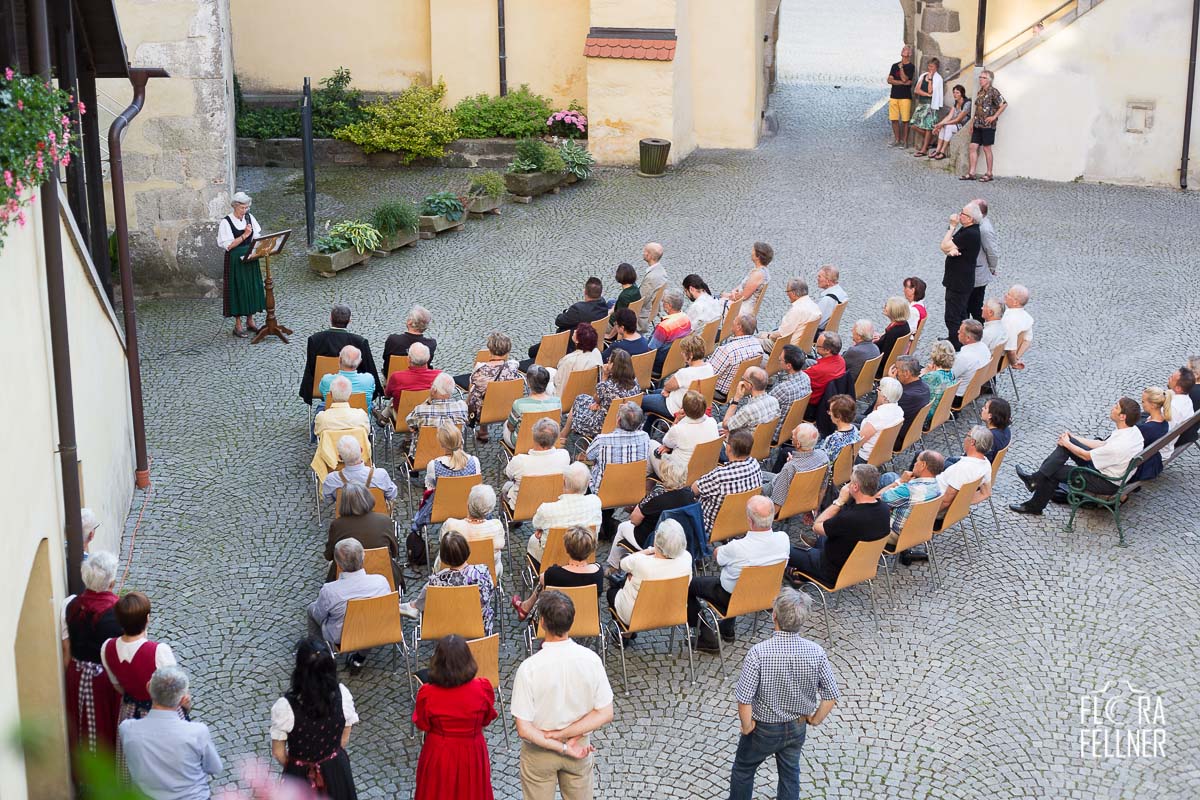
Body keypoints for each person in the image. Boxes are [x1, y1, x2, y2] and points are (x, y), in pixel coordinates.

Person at [727, 589, 839, 800]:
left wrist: (746, 725)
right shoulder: (816, 652)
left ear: (774, 616)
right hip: (797, 726)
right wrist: (815, 719)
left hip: (764, 728)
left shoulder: (759, 653)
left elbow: (744, 698)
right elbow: (831, 695)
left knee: (743, 769)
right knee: (790, 774)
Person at [511, 590, 614, 800]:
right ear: (571, 621)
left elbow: (524, 728)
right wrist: (567, 738)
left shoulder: (528, 668)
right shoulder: (591, 660)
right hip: (579, 746)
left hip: (539, 751)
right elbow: (605, 713)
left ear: (541, 622)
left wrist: (558, 740)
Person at [689, 495, 790, 651]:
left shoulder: (738, 547)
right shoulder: (784, 539)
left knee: (688, 585)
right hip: (766, 594)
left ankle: (706, 635)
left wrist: (720, 549)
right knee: (737, 578)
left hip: (730, 597)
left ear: (749, 520)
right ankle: (727, 628)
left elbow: (718, 555)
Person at [1011, 399, 1143, 516]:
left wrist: (1067, 443)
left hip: (1105, 481)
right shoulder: (1133, 432)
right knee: (1065, 447)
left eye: (1116, 407)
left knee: (1054, 471)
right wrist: (1073, 439)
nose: (1112, 408)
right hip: (1109, 470)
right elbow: (1102, 444)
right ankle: (1035, 480)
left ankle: (1035, 502)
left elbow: (1085, 456)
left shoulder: (1119, 446)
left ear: (1122, 416)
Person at [101, 591, 183, 776]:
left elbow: (117, 686)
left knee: (133, 769)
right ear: (147, 619)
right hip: (160, 716)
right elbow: (176, 690)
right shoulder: (158, 651)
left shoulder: (107, 647)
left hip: (129, 713)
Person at [270, 639, 360, 799]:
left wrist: (298, 766)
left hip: (300, 778)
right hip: (336, 771)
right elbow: (345, 735)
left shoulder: (285, 707)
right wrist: (329, 756)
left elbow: (278, 752)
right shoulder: (342, 694)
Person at [412, 635, 497, 800]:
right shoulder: (482, 688)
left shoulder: (427, 693)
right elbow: (486, 719)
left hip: (439, 752)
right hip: (472, 751)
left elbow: (422, 724)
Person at [120, 667, 223, 800]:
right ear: (182, 700)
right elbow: (215, 767)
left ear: (148, 687)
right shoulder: (197, 732)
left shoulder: (127, 729)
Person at [64, 552, 123, 771]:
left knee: (83, 726)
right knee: (105, 728)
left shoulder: (70, 605)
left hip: (77, 673)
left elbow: (67, 645)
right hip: (105, 678)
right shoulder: (118, 611)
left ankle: (86, 775)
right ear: (112, 581)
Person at [788, 465, 890, 584]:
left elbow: (816, 526)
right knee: (824, 537)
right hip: (861, 565)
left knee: (785, 548)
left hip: (831, 570)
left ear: (855, 487)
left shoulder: (849, 518)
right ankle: (801, 577)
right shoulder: (884, 508)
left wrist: (839, 501)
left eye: (850, 481)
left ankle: (800, 570)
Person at [308, 539, 391, 670]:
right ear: (363, 558)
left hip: (342, 636)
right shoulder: (381, 582)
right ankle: (359, 657)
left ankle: (317, 654)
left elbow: (319, 616)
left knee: (311, 609)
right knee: (368, 617)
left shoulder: (330, 590)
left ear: (338, 564)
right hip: (376, 630)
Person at [400, 532, 496, 634]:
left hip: (446, 628)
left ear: (443, 557)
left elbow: (429, 604)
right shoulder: (482, 571)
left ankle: (413, 606)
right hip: (480, 627)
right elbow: (489, 594)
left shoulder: (436, 580)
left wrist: (416, 605)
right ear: (467, 550)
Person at [608, 458, 695, 570]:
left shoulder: (656, 497)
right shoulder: (689, 495)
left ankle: (614, 567)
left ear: (664, 476)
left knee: (622, 526)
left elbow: (634, 519)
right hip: (680, 537)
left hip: (652, 539)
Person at [607, 520, 693, 626]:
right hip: (672, 613)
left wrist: (649, 550)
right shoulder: (687, 558)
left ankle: (626, 634)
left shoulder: (641, 563)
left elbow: (623, 563)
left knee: (611, 591)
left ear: (656, 539)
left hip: (637, 617)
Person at [584, 403, 651, 537]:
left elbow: (588, 456)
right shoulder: (645, 437)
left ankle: (596, 521)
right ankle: (606, 522)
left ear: (618, 420)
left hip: (602, 491)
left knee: (585, 472)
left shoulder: (602, 440)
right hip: (631, 489)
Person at [513, 526, 605, 620]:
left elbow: (542, 579)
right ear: (592, 548)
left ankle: (525, 607)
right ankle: (525, 607)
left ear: (567, 548)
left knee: (542, 584)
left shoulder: (554, 573)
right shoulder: (598, 571)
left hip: (555, 621)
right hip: (586, 620)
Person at [300, 304, 382, 404]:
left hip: (324, 386)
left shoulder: (315, 340)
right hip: (354, 387)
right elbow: (369, 368)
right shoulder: (359, 342)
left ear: (330, 318)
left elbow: (311, 368)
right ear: (349, 320)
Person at [325, 483, 402, 587]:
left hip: (347, 580)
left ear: (343, 503)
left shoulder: (337, 525)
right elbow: (394, 552)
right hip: (385, 575)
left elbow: (329, 555)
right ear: (368, 497)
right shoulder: (385, 520)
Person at [411, 423, 481, 532]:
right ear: (460, 439)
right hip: (468, 509)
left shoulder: (433, 465)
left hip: (441, 511)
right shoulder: (474, 461)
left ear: (442, 444)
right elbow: (476, 489)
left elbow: (429, 491)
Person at [527, 464, 602, 564]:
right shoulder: (595, 501)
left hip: (553, 558)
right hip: (585, 554)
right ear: (588, 483)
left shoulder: (546, 509)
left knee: (533, 539)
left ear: (563, 482)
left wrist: (541, 530)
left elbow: (536, 524)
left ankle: (538, 573)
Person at [560, 349, 640, 442]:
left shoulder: (607, 386)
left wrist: (605, 376)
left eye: (609, 361)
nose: (607, 363)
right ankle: (565, 436)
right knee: (583, 399)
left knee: (579, 399)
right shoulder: (635, 383)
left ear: (613, 365)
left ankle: (564, 436)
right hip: (625, 422)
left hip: (601, 425)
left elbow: (596, 398)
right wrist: (599, 403)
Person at [692, 429, 762, 534]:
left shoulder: (720, 475)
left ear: (728, 448)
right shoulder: (755, 465)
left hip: (710, 525)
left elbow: (693, 489)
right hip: (741, 521)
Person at [216, 191, 265, 338]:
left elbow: (256, 235)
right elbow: (228, 246)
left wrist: (257, 245)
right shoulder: (226, 222)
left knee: (251, 287)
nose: (244, 211)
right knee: (238, 290)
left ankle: (250, 321)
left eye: (246, 208)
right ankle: (238, 325)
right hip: (235, 260)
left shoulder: (249, 217)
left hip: (250, 256)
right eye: (242, 208)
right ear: (235, 206)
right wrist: (244, 235)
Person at [642, 334, 712, 427]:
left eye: (683, 352)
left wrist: (666, 391)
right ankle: (649, 427)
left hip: (675, 407)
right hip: (690, 404)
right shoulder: (709, 367)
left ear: (690, 355)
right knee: (655, 393)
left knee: (640, 400)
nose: (681, 354)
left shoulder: (685, 373)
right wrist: (665, 391)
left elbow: (668, 386)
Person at [940, 201, 983, 349]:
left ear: (970, 218)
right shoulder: (968, 230)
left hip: (959, 282)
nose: (959, 215)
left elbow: (944, 245)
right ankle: (959, 342)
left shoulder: (970, 233)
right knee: (960, 314)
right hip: (961, 281)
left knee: (953, 317)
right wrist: (948, 249)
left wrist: (952, 226)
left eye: (963, 214)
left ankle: (956, 345)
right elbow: (947, 247)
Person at [878, 450, 946, 544]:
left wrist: (900, 482)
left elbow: (876, 499)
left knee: (888, 479)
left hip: (893, 533)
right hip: (916, 531)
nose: (914, 464)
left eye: (916, 461)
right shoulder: (938, 488)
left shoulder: (909, 490)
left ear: (922, 465)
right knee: (891, 476)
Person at [650, 389, 721, 478]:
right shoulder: (712, 422)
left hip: (679, 475)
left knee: (651, 444)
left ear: (684, 409)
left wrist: (677, 420)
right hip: (704, 470)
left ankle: (645, 486)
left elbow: (666, 442)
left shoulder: (678, 429)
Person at [440, 484, 506, 578]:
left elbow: (442, 544)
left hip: (452, 575)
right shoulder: (496, 526)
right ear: (490, 510)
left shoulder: (451, 525)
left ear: (468, 504)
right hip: (488, 576)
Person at [466, 332, 522, 442]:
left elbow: (472, 388)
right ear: (508, 350)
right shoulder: (513, 368)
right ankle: (484, 431)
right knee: (490, 394)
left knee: (479, 394)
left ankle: (483, 431)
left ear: (490, 349)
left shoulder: (480, 369)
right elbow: (515, 363)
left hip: (483, 413)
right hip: (508, 409)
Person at [503, 417, 571, 506]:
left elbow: (509, 474)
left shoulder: (519, 461)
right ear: (555, 438)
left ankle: (504, 517)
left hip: (522, 507)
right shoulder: (564, 456)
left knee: (506, 487)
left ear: (533, 436)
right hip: (554, 503)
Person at [763, 423, 829, 510]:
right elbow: (823, 487)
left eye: (794, 434)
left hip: (774, 488)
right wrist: (816, 509)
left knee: (752, 483)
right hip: (800, 495)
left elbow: (776, 504)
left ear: (798, 444)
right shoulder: (823, 456)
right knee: (760, 474)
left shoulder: (791, 467)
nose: (792, 431)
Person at [935, 426, 994, 516]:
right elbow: (985, 493)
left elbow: (946, 501)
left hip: (931, 503)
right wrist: (961, 504)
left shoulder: (962, 468)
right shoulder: (986, 464)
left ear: (972, 442)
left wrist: (928, 517)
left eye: (967, 436)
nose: (965, 439)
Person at [405, 374, 469, 456]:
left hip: (423, 456)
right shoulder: (462, 407)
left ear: (433, 390)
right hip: (453, 455)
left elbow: (409, 421)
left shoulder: (420, 410)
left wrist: (428, 400)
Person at [321, 436, 398, 503]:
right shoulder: (380, 474)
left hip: (346, 518)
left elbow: (328, 501)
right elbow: (392, 495)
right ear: (361, 450)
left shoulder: (331, 479)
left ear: (340, 458)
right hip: (377, 519)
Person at [963, 69, 1007, 182]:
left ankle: (989, 173)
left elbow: (1004, 104)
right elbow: (976, 109)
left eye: (983, 78)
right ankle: (972, 173)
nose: (980, 80)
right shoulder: (980, 92)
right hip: (977, 124)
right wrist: (972, 123)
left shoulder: (994, 92)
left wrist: (993, 117)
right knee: (973, 147)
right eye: (980, 77)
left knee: (987, 148)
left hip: (988, 126)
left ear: (989, 80)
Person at [503, 365, 560, 449]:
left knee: (506, 423)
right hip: (549, 440)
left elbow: (510, 427)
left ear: (529, 384)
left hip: (522, 443)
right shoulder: (557, 402)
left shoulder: (519, 404)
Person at [709, 314, 765, 402]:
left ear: (739, 327)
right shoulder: (758, 346)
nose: (732, 322)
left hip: (720, 391)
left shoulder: (727, 350)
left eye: (734, 321)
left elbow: (708, 375)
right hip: (741, 387)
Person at [384, 342, 440, 417]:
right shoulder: (439, 376)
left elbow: (388, 394)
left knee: (391, 402)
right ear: (428, 358)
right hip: (429, 415)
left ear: (409, 359)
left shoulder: (396, 377)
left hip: (403, 419)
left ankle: (383, 417)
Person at [721, 366, 780, 437]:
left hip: (743, 444)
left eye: (743, 379)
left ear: (749, 385)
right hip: (761, 441)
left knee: (718, 428)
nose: (742, 381)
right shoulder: (774, 401)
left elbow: (725, 424)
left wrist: (736, 399)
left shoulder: (747, 411)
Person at [856, 377, 904, 463]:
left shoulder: (877, 416)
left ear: (885, 397)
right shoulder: (899, 411)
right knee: (850, 418)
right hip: (880, 452)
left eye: (878, 389)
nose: (876, 392)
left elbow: (858, 443)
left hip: (863, 457)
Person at [760, 278, 820, 347]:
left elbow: (781, 335)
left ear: (793, 293)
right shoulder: (815, 307)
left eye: (787, 292)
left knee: (755, 340)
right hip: (802, 345)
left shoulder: (796, 310)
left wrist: (768, 336)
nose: (787, 295)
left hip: (787, 348)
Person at [769, 345, 812, 441]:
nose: (779, 358)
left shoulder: (784, 389)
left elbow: (763, 405)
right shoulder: (806, 378)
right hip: (791, 427)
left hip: (774, 432)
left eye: (781, 360)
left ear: (789, 366)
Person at [550, 323, 604, 396]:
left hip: (565, 398)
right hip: (587, 392)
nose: (575, 330)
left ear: (578, 340)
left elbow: (560, 388)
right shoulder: (596, 353)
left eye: (577, 331)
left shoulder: (569, 361)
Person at [646, 289, 693, 373]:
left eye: (663, 302)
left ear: (668, 305)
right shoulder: (686, 319)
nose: (662, 304)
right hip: (676, 359)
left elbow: (650, 350)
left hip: (658, 364)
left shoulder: (664, 327)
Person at [969, 198, 1000, 321]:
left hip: (978, 274)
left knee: (975, 307)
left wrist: (992, 268)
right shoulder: (978, 224)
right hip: (974, 273)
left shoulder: (984, 229)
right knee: (967, 306)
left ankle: (980, 333)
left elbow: (992, 251)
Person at [1131, 387, 1172, 481]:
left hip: (1139, 467)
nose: (1142, 404)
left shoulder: (1147, 428)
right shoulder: (1163, 422)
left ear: (1153, 405)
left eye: (1143, 401)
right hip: (1150, 460)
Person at [891, 356, 932, 442]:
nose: (894, 372)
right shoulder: (925, 388)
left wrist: (891, 383)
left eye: (896, 369)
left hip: (893, 436)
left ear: (906, 373)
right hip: (909, 432)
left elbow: (880, 410)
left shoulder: (906, 395)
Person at [722, 242, 773, 310]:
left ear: (758, 256)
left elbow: (744, 296)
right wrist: (734, 291)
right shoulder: (762, 271)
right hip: (741, 304)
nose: (751, 253)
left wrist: (731, 296)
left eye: (753, 251)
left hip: (741, 309)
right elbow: (743, 287)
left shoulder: (757, 274)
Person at [1160, 367, 1197, 459]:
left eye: (1172, 378)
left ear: (1178, 388)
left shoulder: (1173, 408)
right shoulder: (1186, 400)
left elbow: (1162, 434)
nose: (1169, 378)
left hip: (1160, 449)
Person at [803, 332, 846, 410]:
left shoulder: (817, 370)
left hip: (810, 406)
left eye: (817, 346)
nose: (815, 347)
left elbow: (799, 379)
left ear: (827, 350)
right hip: (827, 399)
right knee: (808, 362)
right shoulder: (841, 360)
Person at [949, 320, 991, 400]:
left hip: (958, 396)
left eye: (960, 331)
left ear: (968, 338)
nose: (958, 332)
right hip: (974, 389)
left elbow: (949, 376)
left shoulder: (964, 358)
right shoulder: (984, 347)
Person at [910, 57, 943, 157]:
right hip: (922, 104)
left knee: (928, 127)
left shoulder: (938, 79)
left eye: (932, 66)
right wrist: (926, 94)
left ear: (936, 67)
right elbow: (916, 90)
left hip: (931, 105)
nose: (930, 68)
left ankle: (924, 149)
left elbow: (930, 91)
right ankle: (932, 138)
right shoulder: (923, 75)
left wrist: (930, 80)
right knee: (913, 124)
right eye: (929, 66)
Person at [872, 297, 912, 378]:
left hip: (880, 368)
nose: (884, 307)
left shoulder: (894, 332)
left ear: (894, 311)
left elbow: (884, 355)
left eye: (887, 306)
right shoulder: (904, 325)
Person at [920, 340, 957, 423]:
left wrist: (924, 373)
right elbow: (940, 386)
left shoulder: (933, 376)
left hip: (926, 414)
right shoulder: (951, 373)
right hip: (941, 411)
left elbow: (914, 386)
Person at [930, 83, 969, 160]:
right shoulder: (956, 103)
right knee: (943, 126)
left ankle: (943, 151)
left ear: (962, 93)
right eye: (954, 92)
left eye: (957, 93)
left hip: (963, 126)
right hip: (955, 124)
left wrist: (943, 124)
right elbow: (949, 116)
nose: (955, 94)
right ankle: (937, 150)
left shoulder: (967, 103)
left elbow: (958, 120)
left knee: (948, 126)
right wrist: (939, 125)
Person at [886, 45, 916, 147]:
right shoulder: (894, 66)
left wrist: (902, 69)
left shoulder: (911, 67)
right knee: (893, 119)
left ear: (910, 54)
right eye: (903, 49)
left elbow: (905, 78)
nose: (903, 50)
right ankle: (897, 140)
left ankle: (905, 141)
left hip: (905, 97)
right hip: (894, 96)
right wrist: (903, 83)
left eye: (906, 50)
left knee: (905, 120)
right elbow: (889, 80)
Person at [1001, 284, 1035, 369]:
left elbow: (1011, 349)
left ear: (1015, 302)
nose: (1005, 295)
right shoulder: (1028, 318)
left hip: (997, 360)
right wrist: (1017, 357)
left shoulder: (1009, 320)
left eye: (1009, 294)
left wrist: (1014, 363)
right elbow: (1027, 341)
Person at [818, 395, 860, 461]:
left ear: (838, 416)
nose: (829, 413)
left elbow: (824, 461)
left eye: (830, 411)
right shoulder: (855, 429)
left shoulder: (833, 439)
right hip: (846, 466)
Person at [637, 242, 668, 334]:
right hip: (652, 310)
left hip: (642, 316)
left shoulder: (651, 277)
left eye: (645, 251)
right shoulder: (662, 271)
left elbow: (641, 301)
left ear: (649, 256)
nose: (643, 253)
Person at [842, 321, 880, 386]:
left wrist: (853, 347)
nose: (851, 330)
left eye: (853, 330)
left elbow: (840, 362)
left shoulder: (855, 351)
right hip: (864, 384)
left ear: (859, 336)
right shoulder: (876, 348)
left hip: (849, 385)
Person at [814, 265, 848, 331]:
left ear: (828, 281)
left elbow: (816, 323)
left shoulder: (828, 299)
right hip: (831, 332)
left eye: (819, 277)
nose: (817, 278)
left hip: (819, 334)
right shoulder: (842, 293)